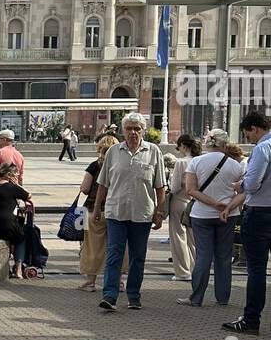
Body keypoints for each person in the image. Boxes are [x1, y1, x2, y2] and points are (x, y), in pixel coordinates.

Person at [92, 112, 166, 312]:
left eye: (137, 128)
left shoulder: (153, 151)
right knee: (114, 253)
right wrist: (98, 207)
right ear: (123, 130)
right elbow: (103, 184)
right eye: (129, 128)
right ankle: (110, 295)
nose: (133, 132)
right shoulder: (113, 151)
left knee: (138, 256)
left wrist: (160, 212)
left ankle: (134, 295)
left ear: (143, 131)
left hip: (142, 213)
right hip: (116, 211)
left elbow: (160, 186)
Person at [220, 111, 271, 334]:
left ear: (255, 129)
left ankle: (251, 320)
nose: (248, 138)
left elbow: (252, 184)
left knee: (257, 269)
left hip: (260, 213)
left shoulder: (262, 148)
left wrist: (240, 185)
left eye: (248, 134)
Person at [178, 137, 244, 308]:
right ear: (224, 144)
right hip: (228, 215)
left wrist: (214, 204)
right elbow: (243, 191)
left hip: (202, 214)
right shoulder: (236, 165)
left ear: (207, 144)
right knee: (224, 256)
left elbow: (190, 190)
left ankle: (196, 297)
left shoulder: (196, 162)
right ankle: (223, 297)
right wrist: (227, 207)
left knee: (203, 256)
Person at [77, 135, 120, 290]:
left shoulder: (95, 166)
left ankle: (91, 282)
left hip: (93, 211)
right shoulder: (120, 165)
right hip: (116, 211)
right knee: (117, 247)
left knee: (92, 247)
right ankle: (118, 282)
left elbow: (85, 188)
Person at [168, 134, 200, 282]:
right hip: (196, 201)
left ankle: (182, 271)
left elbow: (174, 187)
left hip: (179, 200)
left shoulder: (181, 162)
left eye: (179, 147)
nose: (179, 150)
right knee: (193, 239)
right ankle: (196, 269)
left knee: (178, 236)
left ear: (184, 146)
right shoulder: (200, 161)